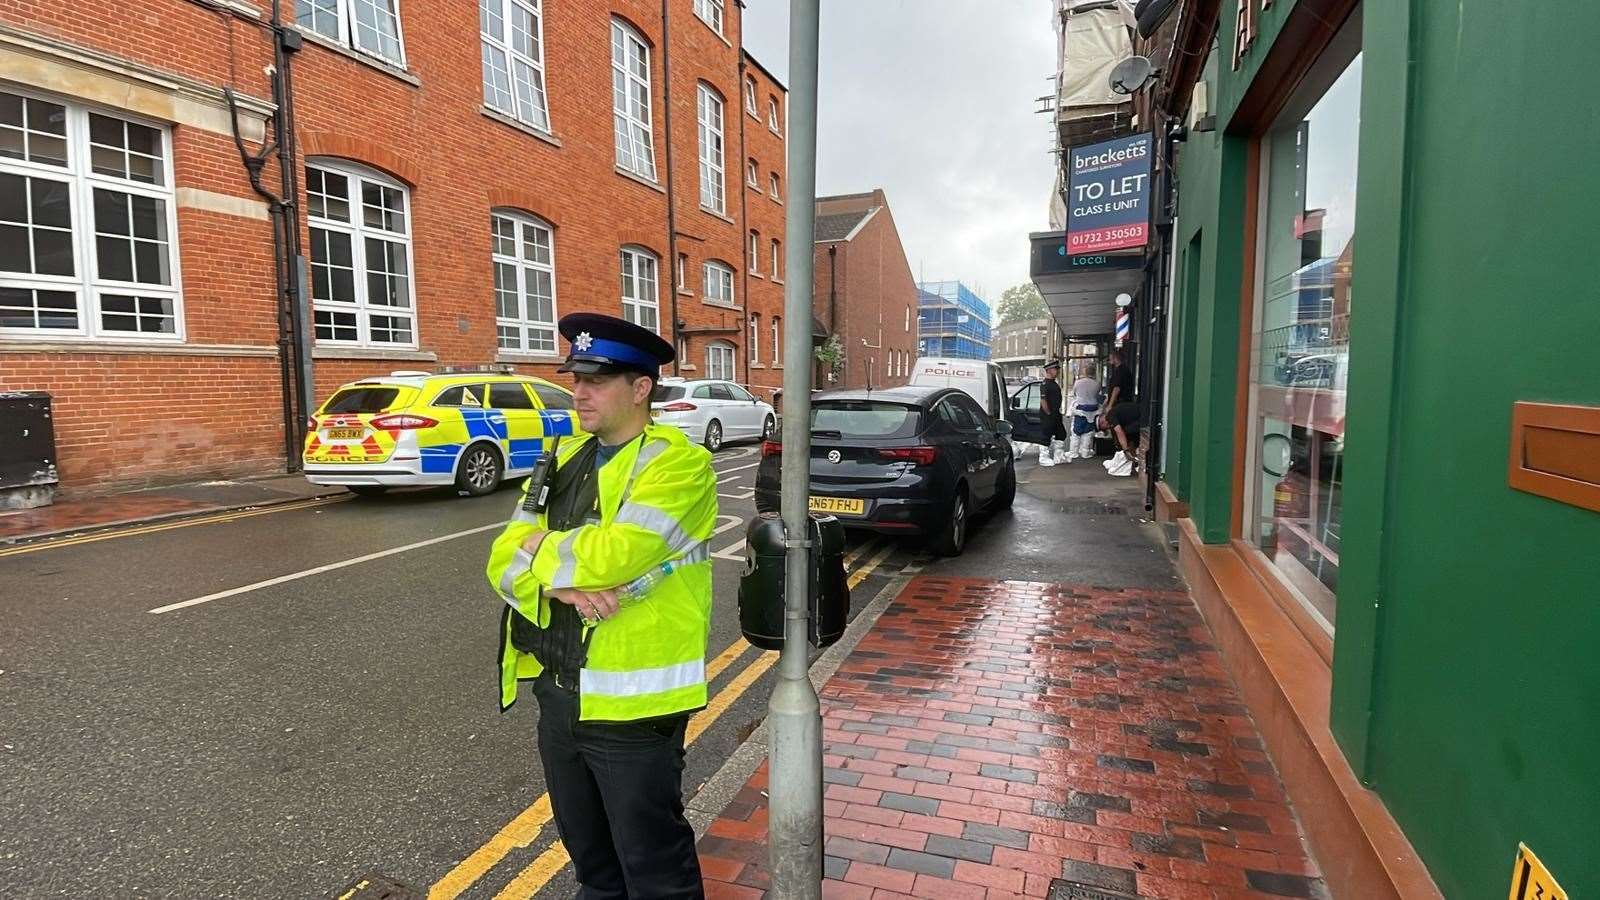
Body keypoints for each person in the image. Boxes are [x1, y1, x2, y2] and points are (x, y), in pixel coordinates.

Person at [486, 312, 717, 899]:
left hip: (634, 710)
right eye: (575, 377)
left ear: (641, 388)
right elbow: (498, 558)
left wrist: (538, 552)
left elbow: (616, 555)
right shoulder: (562, 460)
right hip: (559, 693)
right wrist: (555, 578)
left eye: (596, 379)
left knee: (654, 870)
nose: (578, 391)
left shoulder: (678, 463)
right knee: (592, 866)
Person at [1101, 348, 1138, 475]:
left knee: (1121, 432)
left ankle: (1126, 456)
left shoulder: (1120, 371)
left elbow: (1116, 388)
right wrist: (1107, 402)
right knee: (1121, 432)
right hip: (1123, 405)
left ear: (1116, 357)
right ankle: (1123, 456)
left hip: (1121, 404)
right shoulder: (1121, 370)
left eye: (1111, 356)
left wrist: (1110, 405)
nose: (1109, 359)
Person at [1065, 364, 1100, 462]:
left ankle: (1073, 452)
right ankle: (1085, 452)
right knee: (1088, 431)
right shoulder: (1097, 383)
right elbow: (1097, 394)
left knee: (1076, 432)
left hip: (1080, 409)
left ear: (1085, 372)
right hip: (1093, 409)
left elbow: (1075, 394)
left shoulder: (1078, 382)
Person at [1037, 359, 1069, 466]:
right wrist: (1049, 413)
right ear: (1049, 370)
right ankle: (1043, 458)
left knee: (1061, 434)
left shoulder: (1053, 383)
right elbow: (1043, 401)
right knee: (1046, 436)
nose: (1057, 371)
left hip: (1055, 414)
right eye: (1055, 369)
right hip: (1048, 415)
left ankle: (1058, 456)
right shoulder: (1045, 384)